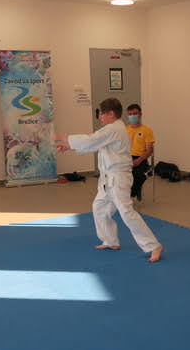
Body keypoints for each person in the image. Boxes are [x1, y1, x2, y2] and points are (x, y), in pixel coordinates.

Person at [54, 98, 163, 262]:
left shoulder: (114, 128)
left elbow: (91, 139)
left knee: (126, 212)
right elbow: (95, 143)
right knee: (99, 207)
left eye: (102, 114)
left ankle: (154, 246)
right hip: (108, 178)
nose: (100, 117)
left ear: (111, 113)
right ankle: (110, 240)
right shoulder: (113, 129)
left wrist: (62, 137)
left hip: (118, 178)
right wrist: (69, 146)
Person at [125, 103, 155, 201]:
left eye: (135, 113)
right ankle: (122, 195)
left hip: (141, 158)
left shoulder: (147, 130)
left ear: (140, 114)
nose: (132, 116)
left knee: (139, 175)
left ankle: (130, 195)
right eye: (130, 114)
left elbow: (149, 150)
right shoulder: (125, 130)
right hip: (126, 157)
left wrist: (138, 160)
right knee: (118, 175)